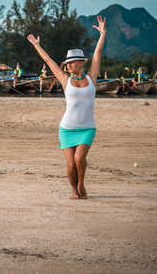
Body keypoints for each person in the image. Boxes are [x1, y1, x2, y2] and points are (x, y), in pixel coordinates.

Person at [27, 15, 106, 200]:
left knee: (80, 159)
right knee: (70, 165)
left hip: (87, 128)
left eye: (72, 62)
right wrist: (37, 45)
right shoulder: (65, 79)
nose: (69, 65)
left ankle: (81, 184)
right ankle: (74, 191)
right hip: (67, 128)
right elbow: (48, 60)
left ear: (81, 63)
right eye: (67, 63)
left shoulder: (91, 77)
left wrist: (102, 33)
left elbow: (98, 52)